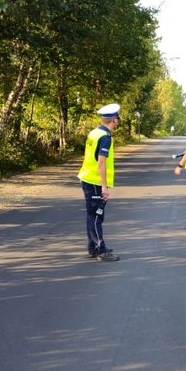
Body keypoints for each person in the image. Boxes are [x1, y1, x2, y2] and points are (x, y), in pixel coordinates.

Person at [77, 103, 121, 261]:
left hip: (87, 177)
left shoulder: (94, 132)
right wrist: (104, 186)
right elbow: (101, 162)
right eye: (117, 119)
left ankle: (93, 247)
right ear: (113, 120)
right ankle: (100, 250)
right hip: (95, 182)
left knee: (91, 215)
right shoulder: (105, 137)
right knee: (96, 216)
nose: (117, 122)